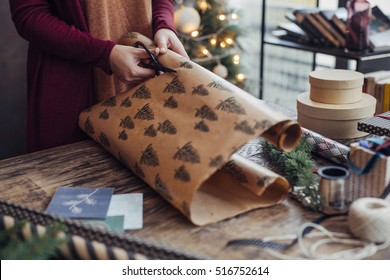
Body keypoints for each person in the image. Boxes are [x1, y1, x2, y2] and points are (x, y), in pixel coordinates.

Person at [9, 0, 188, 153]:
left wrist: (164, 24)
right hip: (73, 90)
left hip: (146, 80)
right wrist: (104, 55)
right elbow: (29, 14)